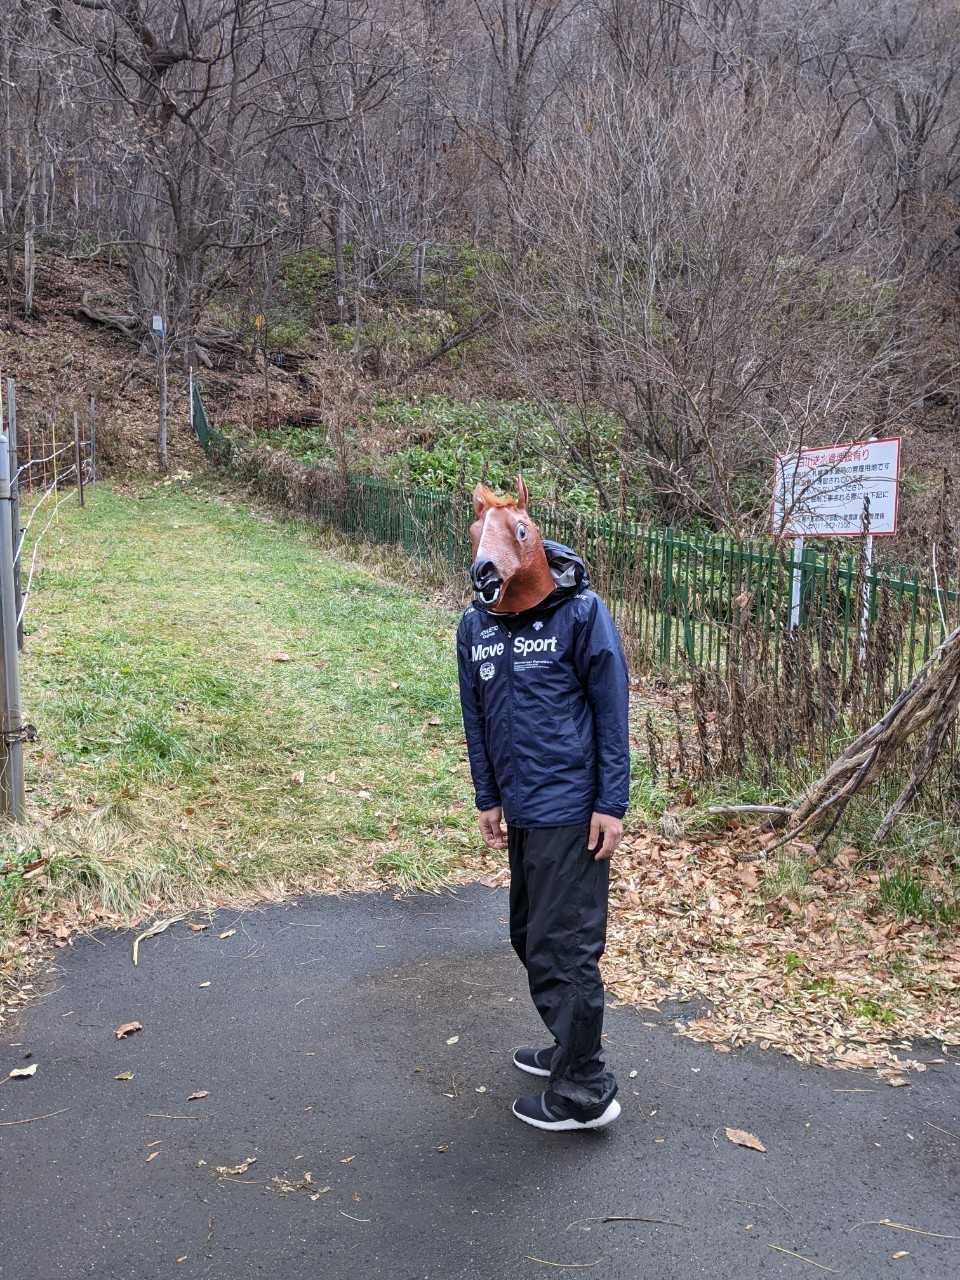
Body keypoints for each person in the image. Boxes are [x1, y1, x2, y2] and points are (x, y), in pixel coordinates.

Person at [456, 479, 630, 1132]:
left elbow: (611, 708)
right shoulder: (475, 626)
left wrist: (610, 802)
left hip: (571, 808)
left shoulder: (580, 614)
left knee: (565, 947)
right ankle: (569, 1047)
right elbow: (476, 716)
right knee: (530, 935)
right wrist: (488, 796)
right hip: (522, 809)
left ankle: (585, 1091)